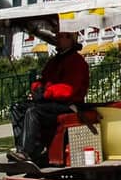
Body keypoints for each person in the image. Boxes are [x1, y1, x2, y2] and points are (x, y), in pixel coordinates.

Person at [9, 30, 90, 163]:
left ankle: (27, 152)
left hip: (68, 106)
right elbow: (42, 79)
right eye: (57, 36)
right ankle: (21, 147)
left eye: (61, 36)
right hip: (50, 103)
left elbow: (69, 90)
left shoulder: (77, 62)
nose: (57, 38)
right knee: (17, 108)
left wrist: (46, 92)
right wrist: (36, 88)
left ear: (71, 39)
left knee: (33, 111)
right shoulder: (54, 61)